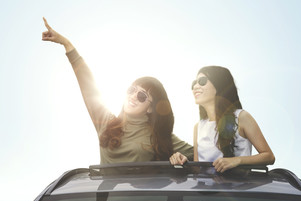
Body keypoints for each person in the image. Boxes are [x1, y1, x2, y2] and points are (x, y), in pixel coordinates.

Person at [42, 18, 193, 164]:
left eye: (141, 96)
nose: (133, 96)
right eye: (132, 89)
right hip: (106, 191)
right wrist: (66, 43)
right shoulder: (106, 123)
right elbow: (88, 86)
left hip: (142, 191)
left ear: (150, 108)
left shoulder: (160, 136)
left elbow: (200, 154)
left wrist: (181, 157)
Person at [170, 66, 274, 172]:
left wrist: (237, 160)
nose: (195, 87)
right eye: (194, 83)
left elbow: (269, 156)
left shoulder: (242, 117)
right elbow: (198, 168)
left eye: (202, 81)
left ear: (219, 85)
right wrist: (185, 162)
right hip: (206, 188)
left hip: (238, 187)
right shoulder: (198, 127)